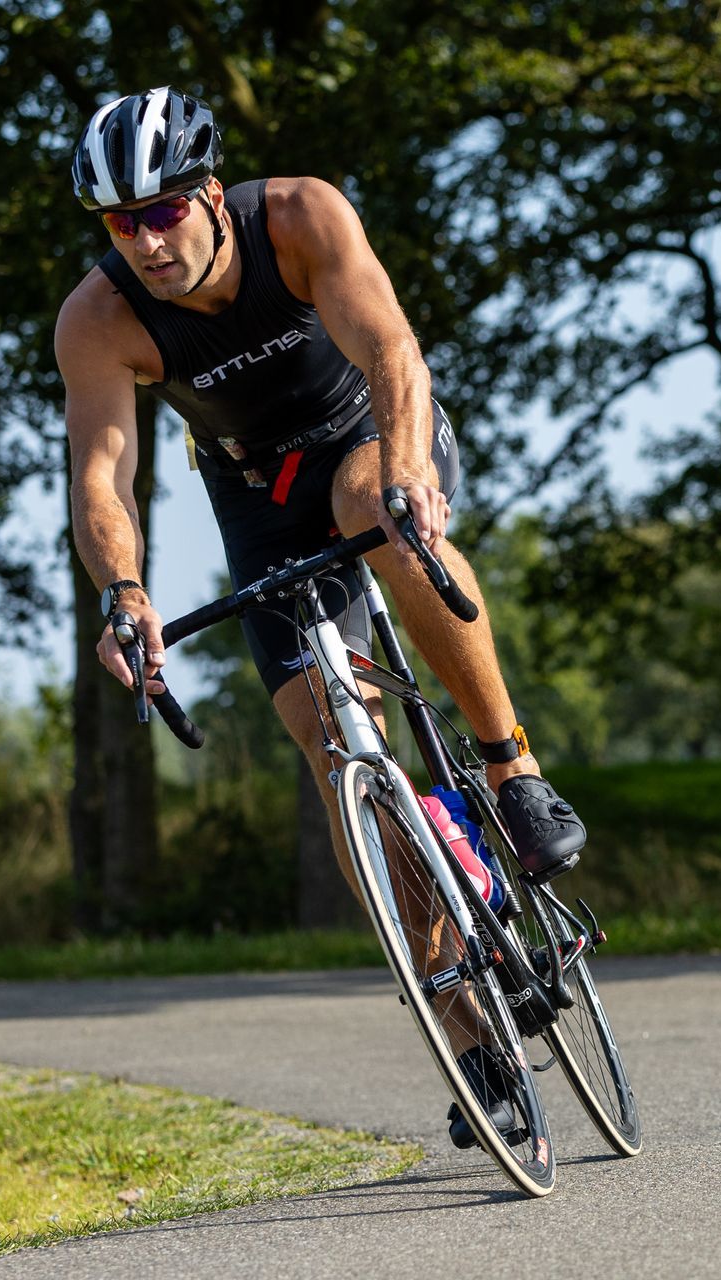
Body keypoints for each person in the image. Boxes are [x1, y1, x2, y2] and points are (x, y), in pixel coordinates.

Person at [58, 87, 584, 1145]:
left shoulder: (298, 215)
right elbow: (102, 481)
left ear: (210, 194)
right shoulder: (99, 319)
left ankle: (510, 766)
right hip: (256, 496)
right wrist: (125, 596)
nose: (148, 240)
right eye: (124, 223)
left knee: (371, 510)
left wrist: (405, 475)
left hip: (371, 431)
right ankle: (460, 1011)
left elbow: (393, 349)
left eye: (165, 211)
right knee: (330, 738)